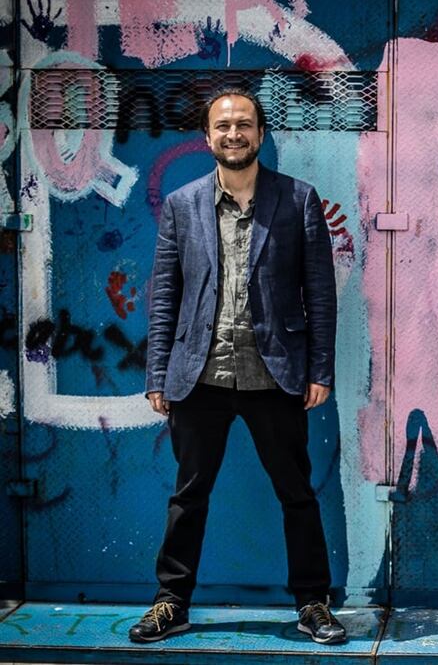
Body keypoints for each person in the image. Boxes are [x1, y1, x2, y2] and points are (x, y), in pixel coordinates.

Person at [132, 88, 345, 644]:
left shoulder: (298, 200)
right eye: (223, 125)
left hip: (274, 375)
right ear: (207, 138)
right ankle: (171, 601)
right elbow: (165, 297)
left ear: (261, 134)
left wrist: (320, 370)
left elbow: (319, 293)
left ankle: (313, 603)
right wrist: (158, 374)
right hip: (197, 376)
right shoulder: (182, 205)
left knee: (297, 493)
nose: (234, 134)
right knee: (188, 496)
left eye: (244, 124)